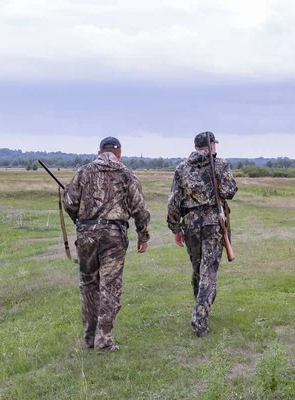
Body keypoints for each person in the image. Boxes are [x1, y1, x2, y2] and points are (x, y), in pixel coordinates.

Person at [63, 136, 150, 352]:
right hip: (113, 236)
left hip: (86, 234)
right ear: (119, 153)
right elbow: (139, 208)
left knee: (88, 285)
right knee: (109, 287)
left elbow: (69, 202)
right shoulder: (127, 174)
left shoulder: (83, 172)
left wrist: (82, 220)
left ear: (99, 151)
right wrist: (143, 235)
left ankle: (90, 337)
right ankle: (104, 340)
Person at [167, 131, 238, 337]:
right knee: (209, 271)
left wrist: (176, 227)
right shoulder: (220, 164)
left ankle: (202, 308)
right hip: (213, 224)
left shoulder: (182, 168)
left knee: (198, 268)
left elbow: (174, 201)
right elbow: (230, 191)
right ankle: (200, 317)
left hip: (190, 225)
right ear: (212, 145)